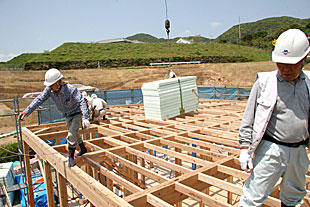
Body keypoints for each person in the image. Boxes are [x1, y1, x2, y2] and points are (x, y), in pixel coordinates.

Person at [238, 29, 310, 207]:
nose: (285, 69)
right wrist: (244, 147)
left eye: (291, 64)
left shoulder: (308, 82)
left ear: (304, 60)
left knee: (293, 195)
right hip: (271, 148)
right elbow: (249, 117)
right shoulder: (264, 82)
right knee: (253, 196)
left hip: (300, 150)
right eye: (280, 63)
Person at [18, 68, 90, 167]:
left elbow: (81, 101)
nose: (50, 87)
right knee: (75, 133)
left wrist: (85, 117)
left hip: (77, 113)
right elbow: (39, 100)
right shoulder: (49, 90)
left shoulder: (70, 89)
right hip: (67, 115)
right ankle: (83, 148)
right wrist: (26, 111)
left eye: (52, 84)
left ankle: (71, 157)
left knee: (71, 133)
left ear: (59, 82)